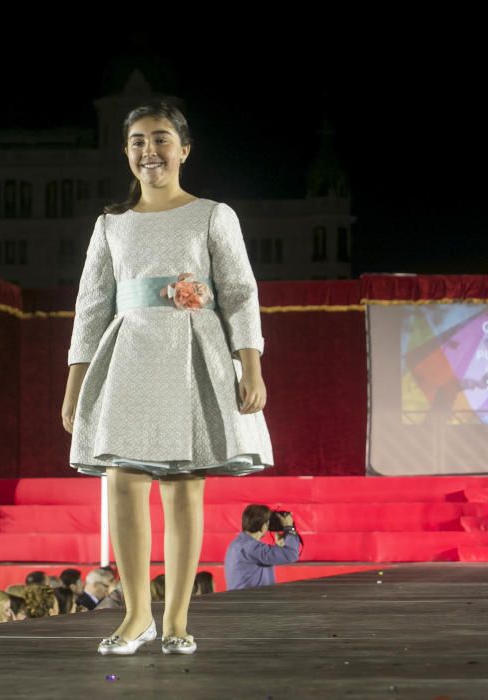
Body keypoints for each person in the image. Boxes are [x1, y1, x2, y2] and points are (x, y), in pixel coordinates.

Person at [62, 99, 273, 657]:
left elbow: (240, 291)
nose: (148, 151)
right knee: (123, 482)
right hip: (128, 354)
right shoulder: (111, 225)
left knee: (183, 490)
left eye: (159, 139)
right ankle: (136, 617)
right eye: (137, 141)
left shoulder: (212, 215)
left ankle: (177, 618)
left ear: (183, 148)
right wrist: (74, 383)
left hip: (192, 356)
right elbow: (90, 306)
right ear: (126, 152)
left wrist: (250, 362)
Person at [224, 505, 301, 590]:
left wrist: (278, 547)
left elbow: (264, 558)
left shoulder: (239, 544)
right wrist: (290, 528)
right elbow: (291, 555)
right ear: (264, 526)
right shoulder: (251, 547)